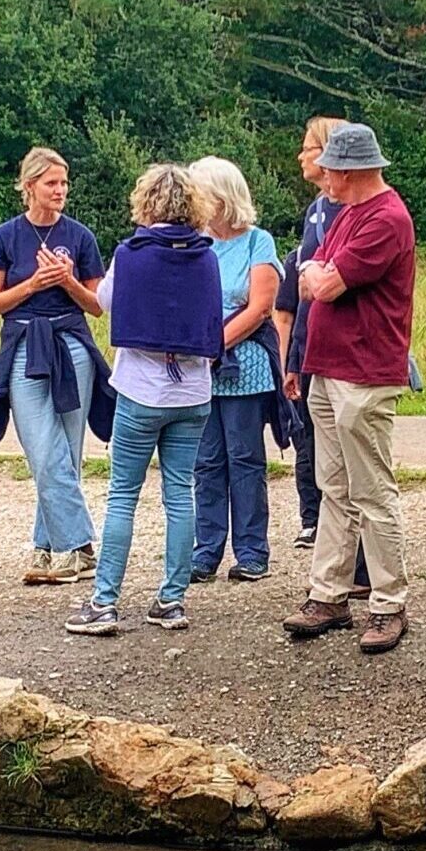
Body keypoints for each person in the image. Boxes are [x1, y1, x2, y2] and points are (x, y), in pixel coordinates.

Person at [64, 164, 224, 635]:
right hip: (193, 390)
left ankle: (105, 601)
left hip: (141, 388)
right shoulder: (207, 257)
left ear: (146, 203)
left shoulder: (130, 254)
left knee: (123, 497)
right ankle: (171, 600)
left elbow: (103, 303)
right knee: (180, 495)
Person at [278, 122, 419, 655]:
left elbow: (323, 283)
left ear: (351, 170)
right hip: (329, 366)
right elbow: (307, 275)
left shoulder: (385, 218)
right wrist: (315, 273)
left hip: (364, 369)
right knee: (333, 485)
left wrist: (317, 273)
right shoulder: (348, 213)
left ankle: (388, 601)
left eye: (331, 170)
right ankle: (329, 592)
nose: (324, 178)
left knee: (372, 490)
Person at [0, 147, 112, 586]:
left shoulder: (80, 237)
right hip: (22, 344)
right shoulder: (4, 237)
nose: (60, 191)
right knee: (41, 447)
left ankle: (47, 545)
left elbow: (97, 306)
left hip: (71, 344)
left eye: (64, 183)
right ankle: (78, 545)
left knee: (67, 452)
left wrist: (67, 280)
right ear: (29, 185)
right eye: (52, 183)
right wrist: (33, 284)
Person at [185, 156, 284, 585]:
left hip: (246, 367)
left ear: (222, 197)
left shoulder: (257, 242)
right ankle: (205, 550)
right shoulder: (195, 242)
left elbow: (260, 306)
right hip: (202, 369)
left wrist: (214, 344)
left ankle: (251, 551)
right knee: (205, 462)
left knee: (244, 459)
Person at [275, 117, 347, 552]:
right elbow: (301, 293)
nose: (301, 156)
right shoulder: (315, 211)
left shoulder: (352, 210)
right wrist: (293, 358)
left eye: (307, 147)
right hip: (311, 344)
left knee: (345, 466)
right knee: (316, 454)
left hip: (345, 354)